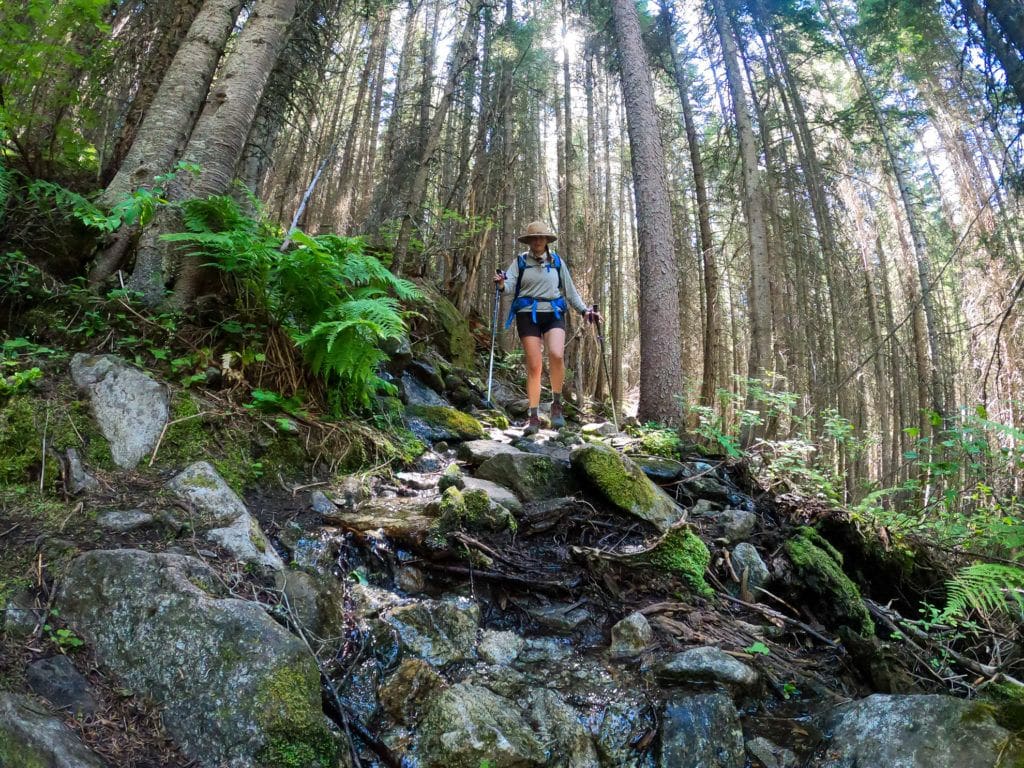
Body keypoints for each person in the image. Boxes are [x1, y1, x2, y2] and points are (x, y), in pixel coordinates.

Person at [495, 220, 601, 435]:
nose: (538, 241)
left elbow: (570, 292)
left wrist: (584, 311)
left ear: (546, 240)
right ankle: (533, 416)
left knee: (556, 354)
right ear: (529, 241)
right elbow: (508, 286)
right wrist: (500, 284)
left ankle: (556, 404)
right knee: (534, 365)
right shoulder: (520, 262)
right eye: (534, 238)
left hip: (553, 313)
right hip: (527, 314)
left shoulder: (557, 262)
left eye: (541, 237)